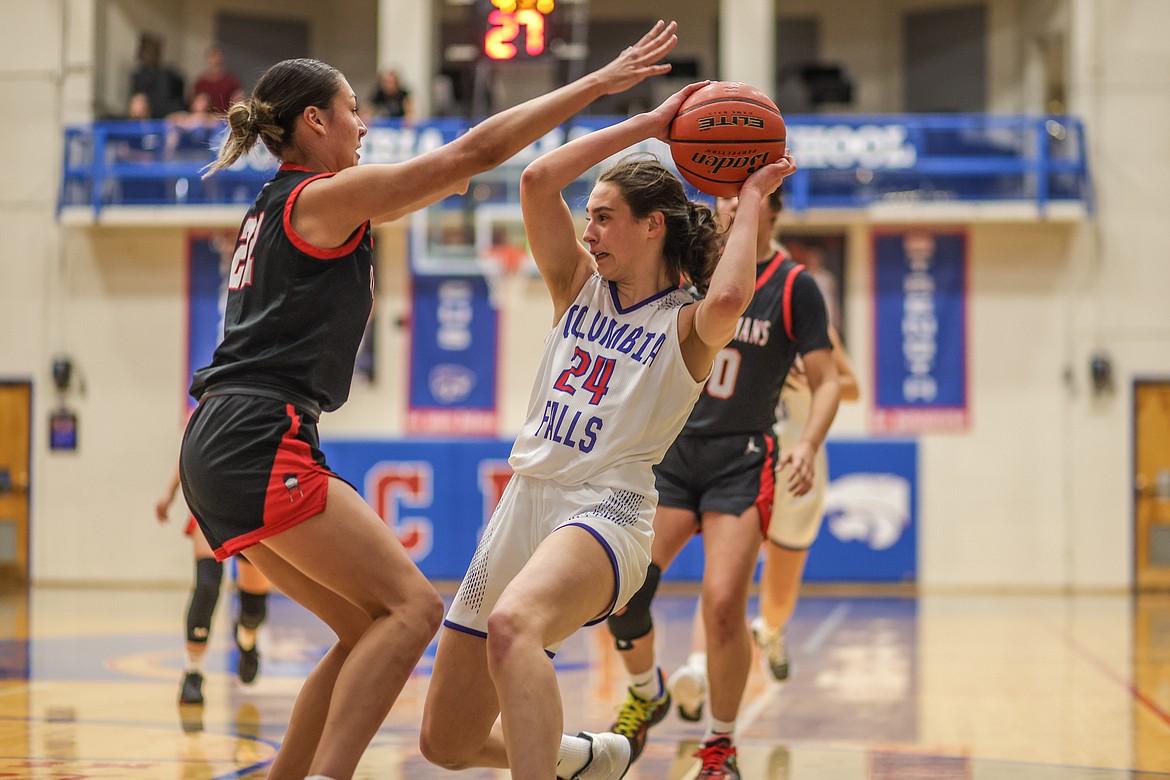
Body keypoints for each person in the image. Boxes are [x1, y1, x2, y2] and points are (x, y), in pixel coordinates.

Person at [179, 21, 691, 780]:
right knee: (413, 612)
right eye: (353, 109)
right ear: (314, 122)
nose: (363, 125)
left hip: (220, 439)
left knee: (364, 632)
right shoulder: (321, 196)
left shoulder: (272, 205)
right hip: (260, 433)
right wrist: (600, 88)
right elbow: (474, 157)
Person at [417, 67, 798, 778]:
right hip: (523, 503)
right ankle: (583, 760)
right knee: (445, 741)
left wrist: (748, 201)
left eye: (602, 216)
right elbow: (535, 181)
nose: (586, 229)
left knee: (515, 627)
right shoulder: (576, 287)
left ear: (653, 226)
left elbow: (732, 298)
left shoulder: (685, 323)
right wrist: (649, 127)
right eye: (587, 215)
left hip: (606, 511)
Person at [600, 189, 841, 780]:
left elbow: (829, 380)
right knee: (620, 583)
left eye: (747, 201)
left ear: (771, 212)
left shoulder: (793, 286)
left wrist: (807, 444)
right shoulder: (690, 270)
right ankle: (645, 690)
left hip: (743, 455)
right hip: (673, 452)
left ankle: (720, 745)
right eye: (725, 200)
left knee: (725, 603)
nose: (731, 210)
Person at [667, 322, 860, 718]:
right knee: (722, 577)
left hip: (796, 469)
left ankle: (770, 630)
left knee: (780, 595)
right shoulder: (729, 314)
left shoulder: (806, 317)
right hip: (745, 462)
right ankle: (699, 668)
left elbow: (852, 387)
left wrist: (808, 376)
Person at [155, 464, 271, 705]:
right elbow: (189, 444)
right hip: (209, 496)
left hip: (252, 503)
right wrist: (170, 492)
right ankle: (193, 672)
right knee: (207, 585)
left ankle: (247, 640)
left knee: (254, 608)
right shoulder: (203, 425)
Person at [130, 33, 185, 119]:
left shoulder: (168, 76)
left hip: (163, 121)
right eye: (143, 53)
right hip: (143, 121)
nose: (145, 56)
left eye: (149, 52)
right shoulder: (138, 77)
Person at [191, 45, 241, 114]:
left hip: (225, 119)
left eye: (217, 59)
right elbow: (194, 102)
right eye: (212, 58)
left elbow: (237, 100)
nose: (214, 61)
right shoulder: (200, 82)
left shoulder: (231, 82)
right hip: (205, 119)